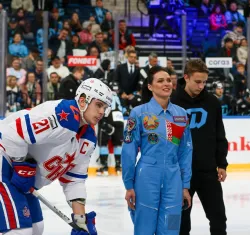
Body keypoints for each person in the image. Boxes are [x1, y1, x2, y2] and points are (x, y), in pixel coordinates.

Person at [0, 78, 113, 235]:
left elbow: (74, 179)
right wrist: (21, 165)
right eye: (99, 105)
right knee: (20, 230)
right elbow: (11, 133)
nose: (102, 112)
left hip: (24, 180)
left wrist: (81, 221)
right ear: (82, 101)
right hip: (5, 164)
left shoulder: (88, 138)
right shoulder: (63, 115)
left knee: (36, 228)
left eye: (105, 107)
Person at [121, 66, 192, 234]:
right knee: (144, 228)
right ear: (150, 86)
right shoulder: (138, 113)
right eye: (160, 81)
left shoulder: (181, 114)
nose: (166, 83)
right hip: (146, 177)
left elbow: (185, 152)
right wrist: (129, 185)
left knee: (172, 227)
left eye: (168, 80)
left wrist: (185, 186)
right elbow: (129, 151)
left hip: (174, 179)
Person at [171, 59, 228, 235]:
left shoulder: (212, 103)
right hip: (179, 173)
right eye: (197, 81)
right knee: (180, 222)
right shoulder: (172, 101)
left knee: (218, 218)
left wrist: (222, 163)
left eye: (204, 82)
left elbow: (220, 135)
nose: (201, 85)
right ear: (186, 77)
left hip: (207, 170)